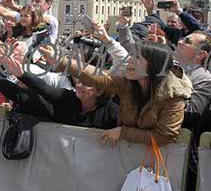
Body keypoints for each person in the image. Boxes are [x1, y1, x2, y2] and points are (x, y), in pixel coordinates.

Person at [41, 41, 192, 145]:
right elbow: (98, 77)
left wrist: (123, 133)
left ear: (154, 66)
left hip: (153, 164)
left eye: (137, 57)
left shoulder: (173, 96)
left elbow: (165, 136)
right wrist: (62, 61)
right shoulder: (128, 83)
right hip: (124, 156)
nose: (130, 60)